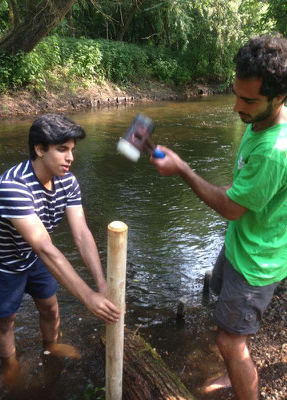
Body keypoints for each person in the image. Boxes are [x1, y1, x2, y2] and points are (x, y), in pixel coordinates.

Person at [150, 34, 287, 400]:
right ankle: (236, 369)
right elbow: (242, 189)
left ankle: (242, 380)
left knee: (230, 341)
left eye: (248, 100)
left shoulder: (274, 150)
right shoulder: (260, 122)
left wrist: (183, 169)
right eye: (236, 94)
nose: (237, 107)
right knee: (228, 320)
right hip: (242, 242)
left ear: (279, 96)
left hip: (256, 262)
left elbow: (231, 206)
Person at [0, 113, 121, 388]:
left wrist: (100, 284)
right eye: (62, 150)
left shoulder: (68, 182)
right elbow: (46, 248)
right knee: (6, 320)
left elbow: (82, 234)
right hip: (3, 261)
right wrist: (87, 298)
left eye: (71, 150)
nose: (70, 157)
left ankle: (51, 347)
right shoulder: (14, 187)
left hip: (34, 255)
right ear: (39, 149)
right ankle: (9, 364)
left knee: (50, 307)